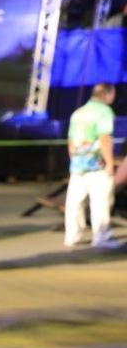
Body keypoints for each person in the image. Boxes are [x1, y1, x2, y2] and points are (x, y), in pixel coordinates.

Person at [64, 82, 120, 249]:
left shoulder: (78, 112)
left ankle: (71, 236)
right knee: (101, 201)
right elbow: (104, 138)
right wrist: (110, 163)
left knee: (74, 202)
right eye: (113, 94)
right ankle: (101, 237)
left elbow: (71, 141)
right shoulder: (104, 111)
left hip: (77, 165)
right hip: (96, 165)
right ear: (106, 95)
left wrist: (74, 161)